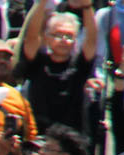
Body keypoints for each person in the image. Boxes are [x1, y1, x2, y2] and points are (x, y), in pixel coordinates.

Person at [18, 0, 98, 134]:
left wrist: (87, 6)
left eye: (69, 36)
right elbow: (31, 37)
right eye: (58, 35)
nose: (64, 40)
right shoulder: (38, 62)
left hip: (70, 141)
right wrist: (41, 4)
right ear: (47, 37)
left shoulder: (80, 65)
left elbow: (91, 39)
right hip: (38, 137)